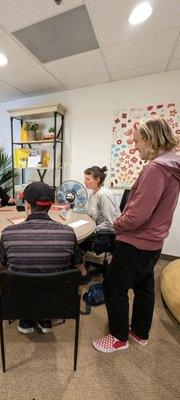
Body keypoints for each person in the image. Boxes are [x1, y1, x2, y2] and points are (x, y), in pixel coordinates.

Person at [93, 116, 180, 353]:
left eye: (137, 141)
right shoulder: (171, 167)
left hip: (135, 243)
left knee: (113, 288)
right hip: (154, 243)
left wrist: (118, 224)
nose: (135, 146)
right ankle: (140, 332)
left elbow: (138, 214)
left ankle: (118, 337)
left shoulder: (155, 168)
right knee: (144, 287)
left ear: (151, 139)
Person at [0, 181, 82, 334]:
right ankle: (45, 316)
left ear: (27, 206)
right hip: (57, 299)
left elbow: (2, 264)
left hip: (19, 298)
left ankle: (27, 316)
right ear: (50, 206)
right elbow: (80, 268)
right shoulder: (69, 233)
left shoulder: (8, 234)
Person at [76, 166, 120, 276]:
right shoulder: (93, 193)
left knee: (75, 242)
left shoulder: (103, 195)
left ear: (98, 179)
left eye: (88, 179)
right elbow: (91, 214)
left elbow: (111, 223)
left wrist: (92, 230)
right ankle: (82, 264)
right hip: (99, 229)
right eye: (85, 178)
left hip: (108, 235)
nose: (85, 182)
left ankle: (82, 273)